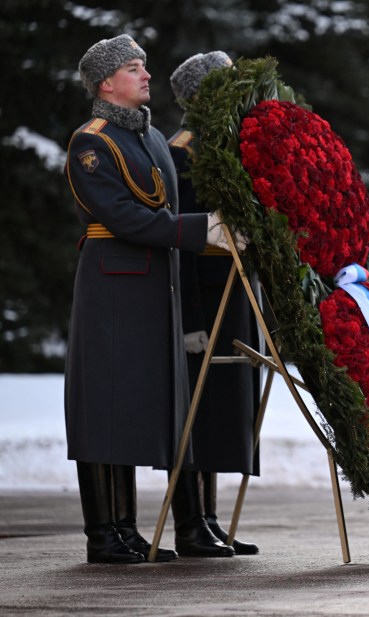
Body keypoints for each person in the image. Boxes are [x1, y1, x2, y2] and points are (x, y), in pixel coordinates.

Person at [64, 34, 240, 564]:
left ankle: (130, 531)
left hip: (150, 284)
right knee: (106, 407)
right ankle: (105, 534)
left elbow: (156, 213)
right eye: (134, 68)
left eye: (143, 66)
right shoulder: (90, 142)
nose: (145, 75)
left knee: (142, 406)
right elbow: (124, 217)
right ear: (105, 83)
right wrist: (201, 230)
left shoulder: (154, 139)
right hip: (113, 283)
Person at [166, 51, 260, 557]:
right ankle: (189, 524)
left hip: (235, 290)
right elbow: (179, 237)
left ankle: (210, 519)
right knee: (196, 411)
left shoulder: (227, 145)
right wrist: (191, 319)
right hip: (204, 292)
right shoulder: (182, 151)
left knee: (225, 408)